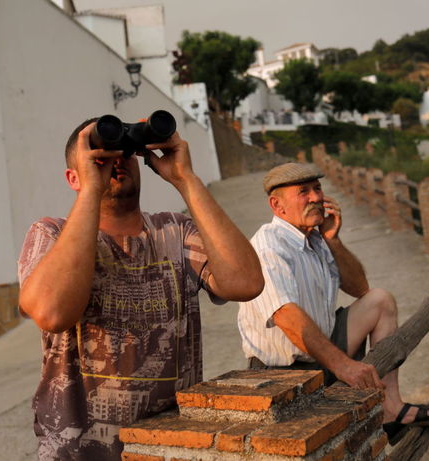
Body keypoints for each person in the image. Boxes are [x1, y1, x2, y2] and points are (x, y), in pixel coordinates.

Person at [18, 117, 264, 460]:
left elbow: (247, 283)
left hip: (171, 448)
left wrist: (186, 179)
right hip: (78, 452)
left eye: (124, 153)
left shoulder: (176, 231)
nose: (116, 162)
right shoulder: (51, 235)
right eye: (101, 157)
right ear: (73, 177)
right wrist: (92, 188)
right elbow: (52, 312)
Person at [237, 162, 429, 446]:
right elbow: (287, 316)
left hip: (321, 351)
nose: (316, 197)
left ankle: (392, 410)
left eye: (317, 188)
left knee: (379, 300)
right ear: (277, 206)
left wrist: (334, 241)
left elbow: (359, 288)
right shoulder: (269, 245)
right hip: (282, 373)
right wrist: (345, 367)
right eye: (303, 192)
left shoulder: (316, 238)